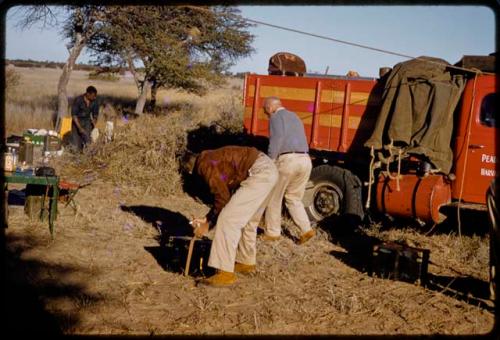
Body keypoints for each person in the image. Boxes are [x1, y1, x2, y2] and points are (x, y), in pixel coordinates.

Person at [182, 145, 278, 287]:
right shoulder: (211, 157)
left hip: (259, 172)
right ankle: (246, 261)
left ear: (189, 169)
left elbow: (222, 196)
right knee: (248, 220)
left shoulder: (204, 164)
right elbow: (225, 192)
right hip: (268, 168)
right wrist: (208, 218)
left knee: (227, 220)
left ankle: (224, 273)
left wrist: (207, 226)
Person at [261, 96, 315, 244]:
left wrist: (270, 159)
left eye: (266, 110)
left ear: (271, 107)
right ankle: (306, 230)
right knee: (294, 198)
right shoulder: (295, 116)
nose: (267, 114)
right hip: (305, 160)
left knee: (274, 196)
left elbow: (277, 139)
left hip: (288, 160)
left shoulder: (276, 117)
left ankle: (272, 233)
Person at [71, 86, 99, 151]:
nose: (94, 97)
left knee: (88, 142)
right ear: (87, 94)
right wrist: (80, 128)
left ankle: (87, 157)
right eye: (93, 96)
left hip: (87, 122)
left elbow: (95, 114)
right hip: (77, 122)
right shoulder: (78, 100)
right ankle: (77, 156)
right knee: (76, 145)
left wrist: (94, 122)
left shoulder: (94, 102)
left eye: (95, 96)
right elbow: (74, 115)